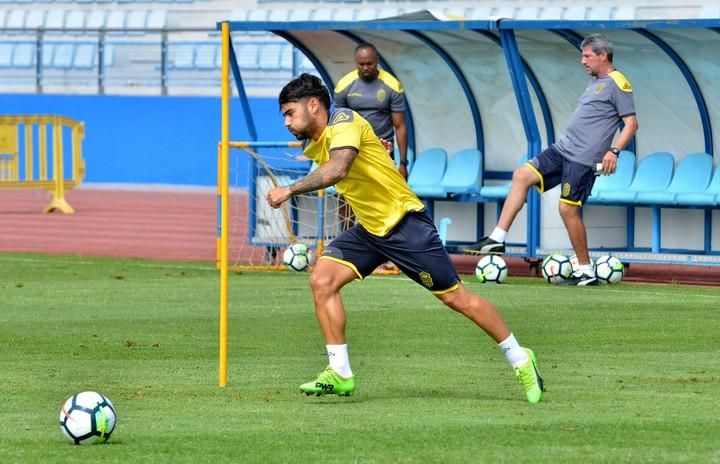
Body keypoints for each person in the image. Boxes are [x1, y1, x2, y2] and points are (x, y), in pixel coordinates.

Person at [266, 73, 544, 404]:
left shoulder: (343, 119)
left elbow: (339, 168)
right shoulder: (321, 139)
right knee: (322, 281)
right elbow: (358, 159)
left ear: (314, 105)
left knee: (457, 299)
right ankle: (339, 372)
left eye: (289, 112)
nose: (286, 122)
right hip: (370, 230)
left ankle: (520, 358)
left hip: (404, 225)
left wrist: (290, 188)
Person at [461, 33, 639, 286]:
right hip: (563, 149)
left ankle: (586, 270)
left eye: (587, 56)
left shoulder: (617, 82)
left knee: (567, 209)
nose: (582, 61)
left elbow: (631, 124)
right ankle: (497, 240)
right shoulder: (595, 81)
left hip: (582, 159)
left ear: (603, 55)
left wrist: (614, 151)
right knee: (521, 175)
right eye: (582, 55)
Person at [334, 42, 409, 179]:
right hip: (354, 149)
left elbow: (400, 126)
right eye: (361, 64)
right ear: (356, 62)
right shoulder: (343, 86)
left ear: (377, 61)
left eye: (370, 63)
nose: (365, 68)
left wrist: (403, 163)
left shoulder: (392, 85)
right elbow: (338, 124)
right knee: (349, 197)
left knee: (385, 195)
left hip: (383, 149)